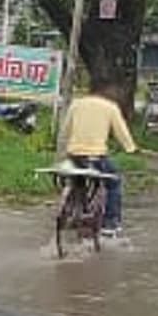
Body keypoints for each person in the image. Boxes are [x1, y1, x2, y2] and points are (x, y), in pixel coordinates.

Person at [62, 81, 140, 233]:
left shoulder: (76, 104)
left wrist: (67, 147)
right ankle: (110, 223)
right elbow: (121, 132)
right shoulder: (110, 107)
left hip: (74, 155)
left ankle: (75, 208)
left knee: (78, 180)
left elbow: (66, 130)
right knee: (114, 182)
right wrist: (131, 148)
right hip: (96, 156)